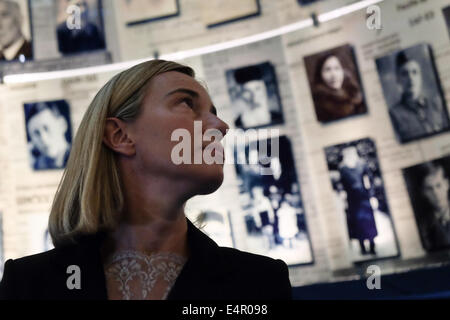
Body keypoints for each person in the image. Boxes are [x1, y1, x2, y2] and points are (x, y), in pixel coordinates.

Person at [0, 59, 292, 300]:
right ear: (119, 135)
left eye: (214, 113)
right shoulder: (29, 286)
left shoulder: (259, 283)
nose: (221, 126)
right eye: (187, 104)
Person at [389, 52, 449, 143]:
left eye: (415, 72)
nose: (410, 78)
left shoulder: (437, 104)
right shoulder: (394, 114)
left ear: (420, 76)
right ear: (398, 79)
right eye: (405, 73)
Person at [338, 146, 378, 255]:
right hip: (352, 199)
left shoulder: (362, 164)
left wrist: (372, 196)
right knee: (357, 223)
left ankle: (372, 246)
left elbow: (368, 180)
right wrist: (343, 197)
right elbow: (342, 184)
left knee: (368, 222)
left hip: (364, 198)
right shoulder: (343, 168)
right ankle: (363, 248)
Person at [311, 52, 365, 123]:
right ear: (320, 75)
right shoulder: (318, 106)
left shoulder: (355, 94)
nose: (334, 75)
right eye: (327, 70)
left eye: (337, 68)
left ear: (343, 71)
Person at [25, 101, 71, 170]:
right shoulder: (36, 166)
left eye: (46, 128)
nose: (43, 138)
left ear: (62, 124)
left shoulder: (79, 158)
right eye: (36, 133)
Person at [232, 65, 282, 129]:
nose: (254, 97)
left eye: (258, 89)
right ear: (241, 95)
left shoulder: (278, 118)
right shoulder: (235, 126)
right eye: (247, 91)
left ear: (265, 90)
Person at [417, 161, 450, 250]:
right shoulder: (422, 226)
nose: (435, 193)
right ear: (423, 192)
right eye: (429, 188)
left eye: (438, 185)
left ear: (447, 184)